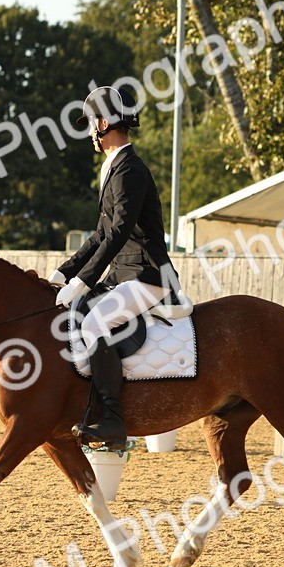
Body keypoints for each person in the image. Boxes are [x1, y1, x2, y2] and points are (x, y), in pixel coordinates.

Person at [49, 85, 179, 450]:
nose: (90, 132)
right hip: (125, 275)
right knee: (78, 315)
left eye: (91, 125)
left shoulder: (130, 171)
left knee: (94, 322)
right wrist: (65, 272)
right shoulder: (116, 169)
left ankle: (113, 421)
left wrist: (85, 280)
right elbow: (100, 234)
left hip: (149, 275)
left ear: (104, 124)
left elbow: (119, 233)